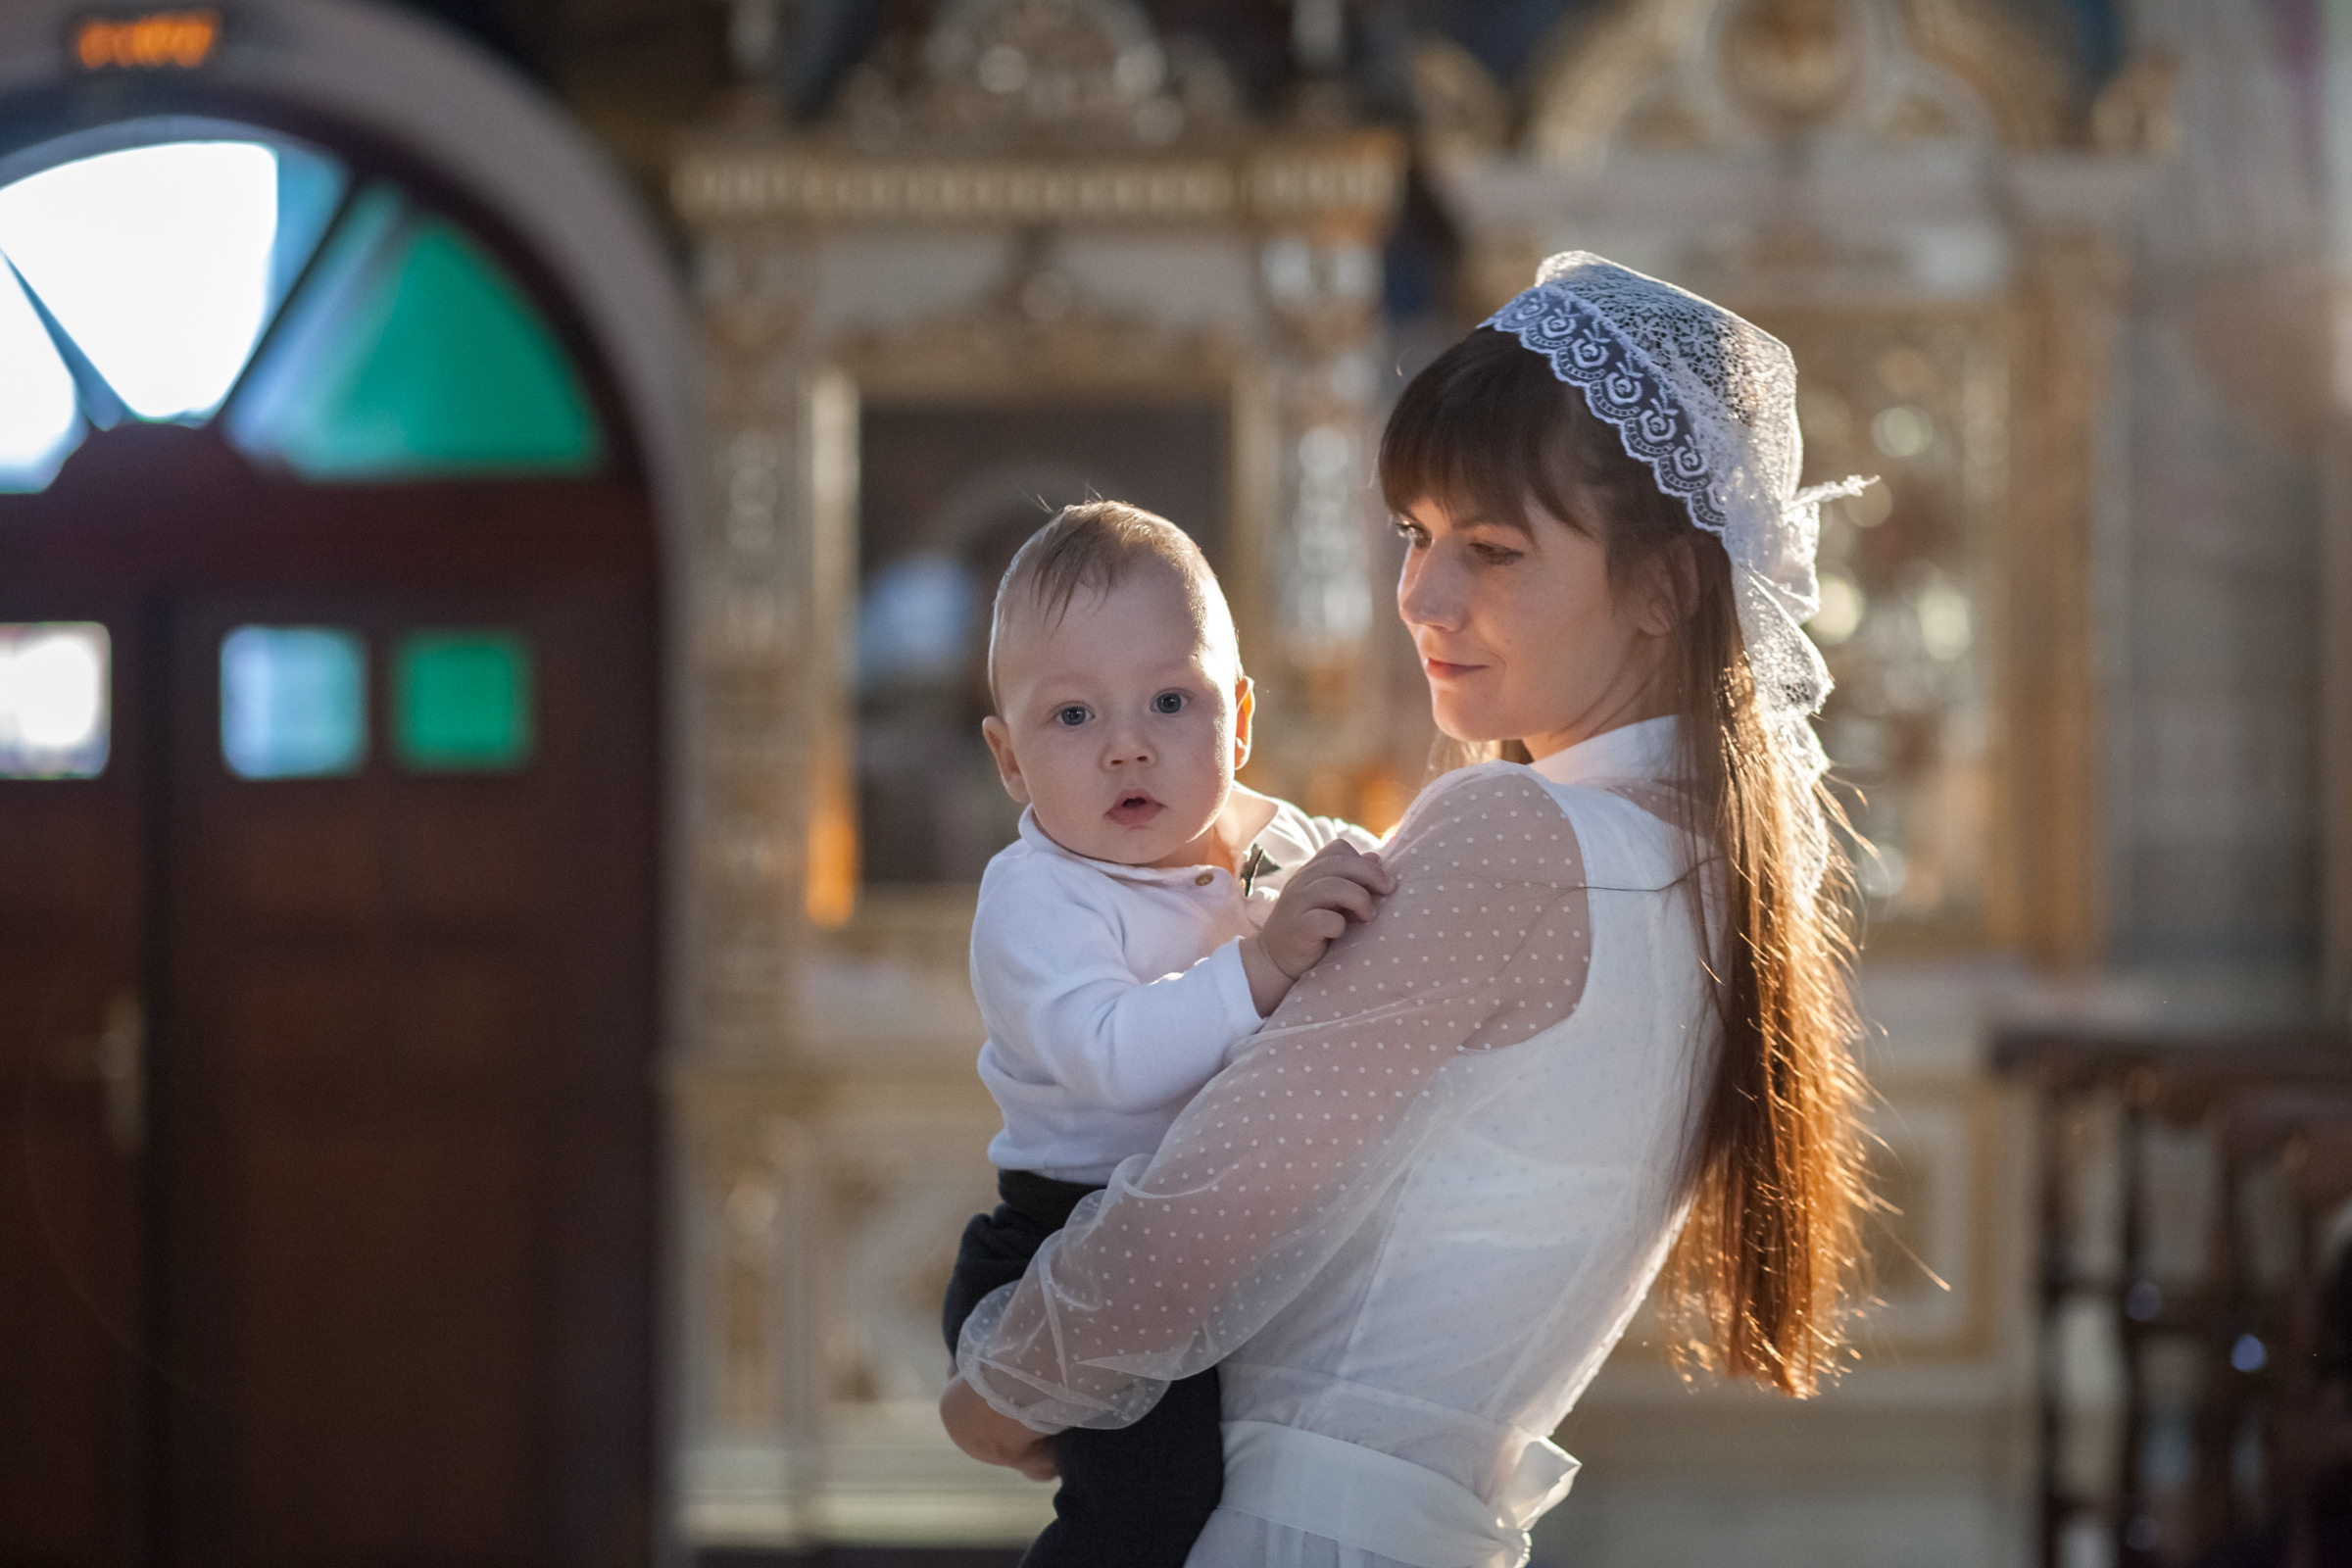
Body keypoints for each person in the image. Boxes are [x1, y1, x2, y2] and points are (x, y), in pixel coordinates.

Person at [938, 254, 1878, 1567]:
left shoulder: (1514, 839)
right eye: (1415, 536)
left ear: (1665, 585)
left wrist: (995, 1390)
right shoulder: (1714, 870)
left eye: (1492, 550)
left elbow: (1194, 1218)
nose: (1425, 599)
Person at [943, 500, 1396, 1566]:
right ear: (1009, 762)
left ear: (1238, 722)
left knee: (1268, 1471)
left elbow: (1370, 887)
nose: (1127, 746)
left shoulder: (1260, 842)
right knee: (1150, 1513)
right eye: (1072, 717)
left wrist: (1370, 879)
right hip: (1071, 1240)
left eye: (1168, 699)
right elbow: (1107, 1056)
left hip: (1213, 1223)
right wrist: (1263, 961)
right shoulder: (1038, 897)